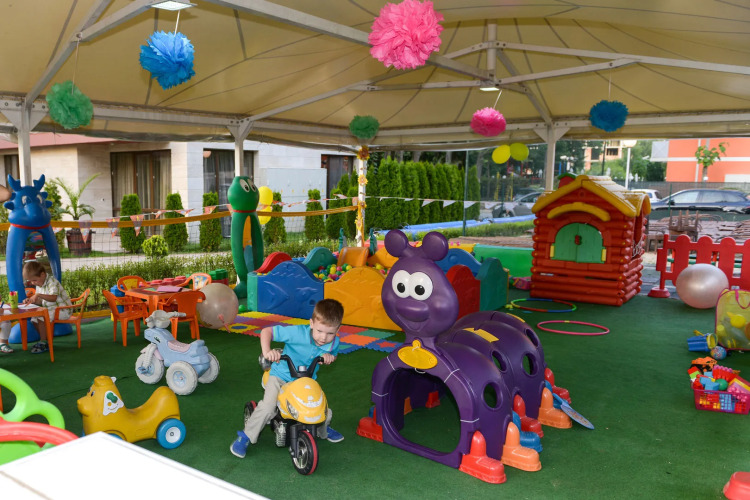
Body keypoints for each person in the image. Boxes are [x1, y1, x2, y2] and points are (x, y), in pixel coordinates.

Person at [231, 298, 345, 458]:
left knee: (318, 404)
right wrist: (267, 352)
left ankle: (322, 429)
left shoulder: (334, 343)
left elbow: (333, 354)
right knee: (268, 407)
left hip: (305, 380)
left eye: (330, 333)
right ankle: (245, 436)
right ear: (311, 323)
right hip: (280, 376)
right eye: (319, 331)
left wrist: (329, 357)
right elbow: (267, 332)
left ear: (338, 329)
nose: (323, 338)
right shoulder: (297, 333)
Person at [21, 261, 72, 354]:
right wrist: (32, 300)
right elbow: (42, 301)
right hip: (51, 309)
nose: (33, 283)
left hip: (63, 310)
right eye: (30, 281)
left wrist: (38, 295)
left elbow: (53, 298)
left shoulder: (52, 282)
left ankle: (43, 341)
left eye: (34, 280)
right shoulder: (40, 284)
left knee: (41, 317)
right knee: (34, 318)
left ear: (42, 274)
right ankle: (45, 341)